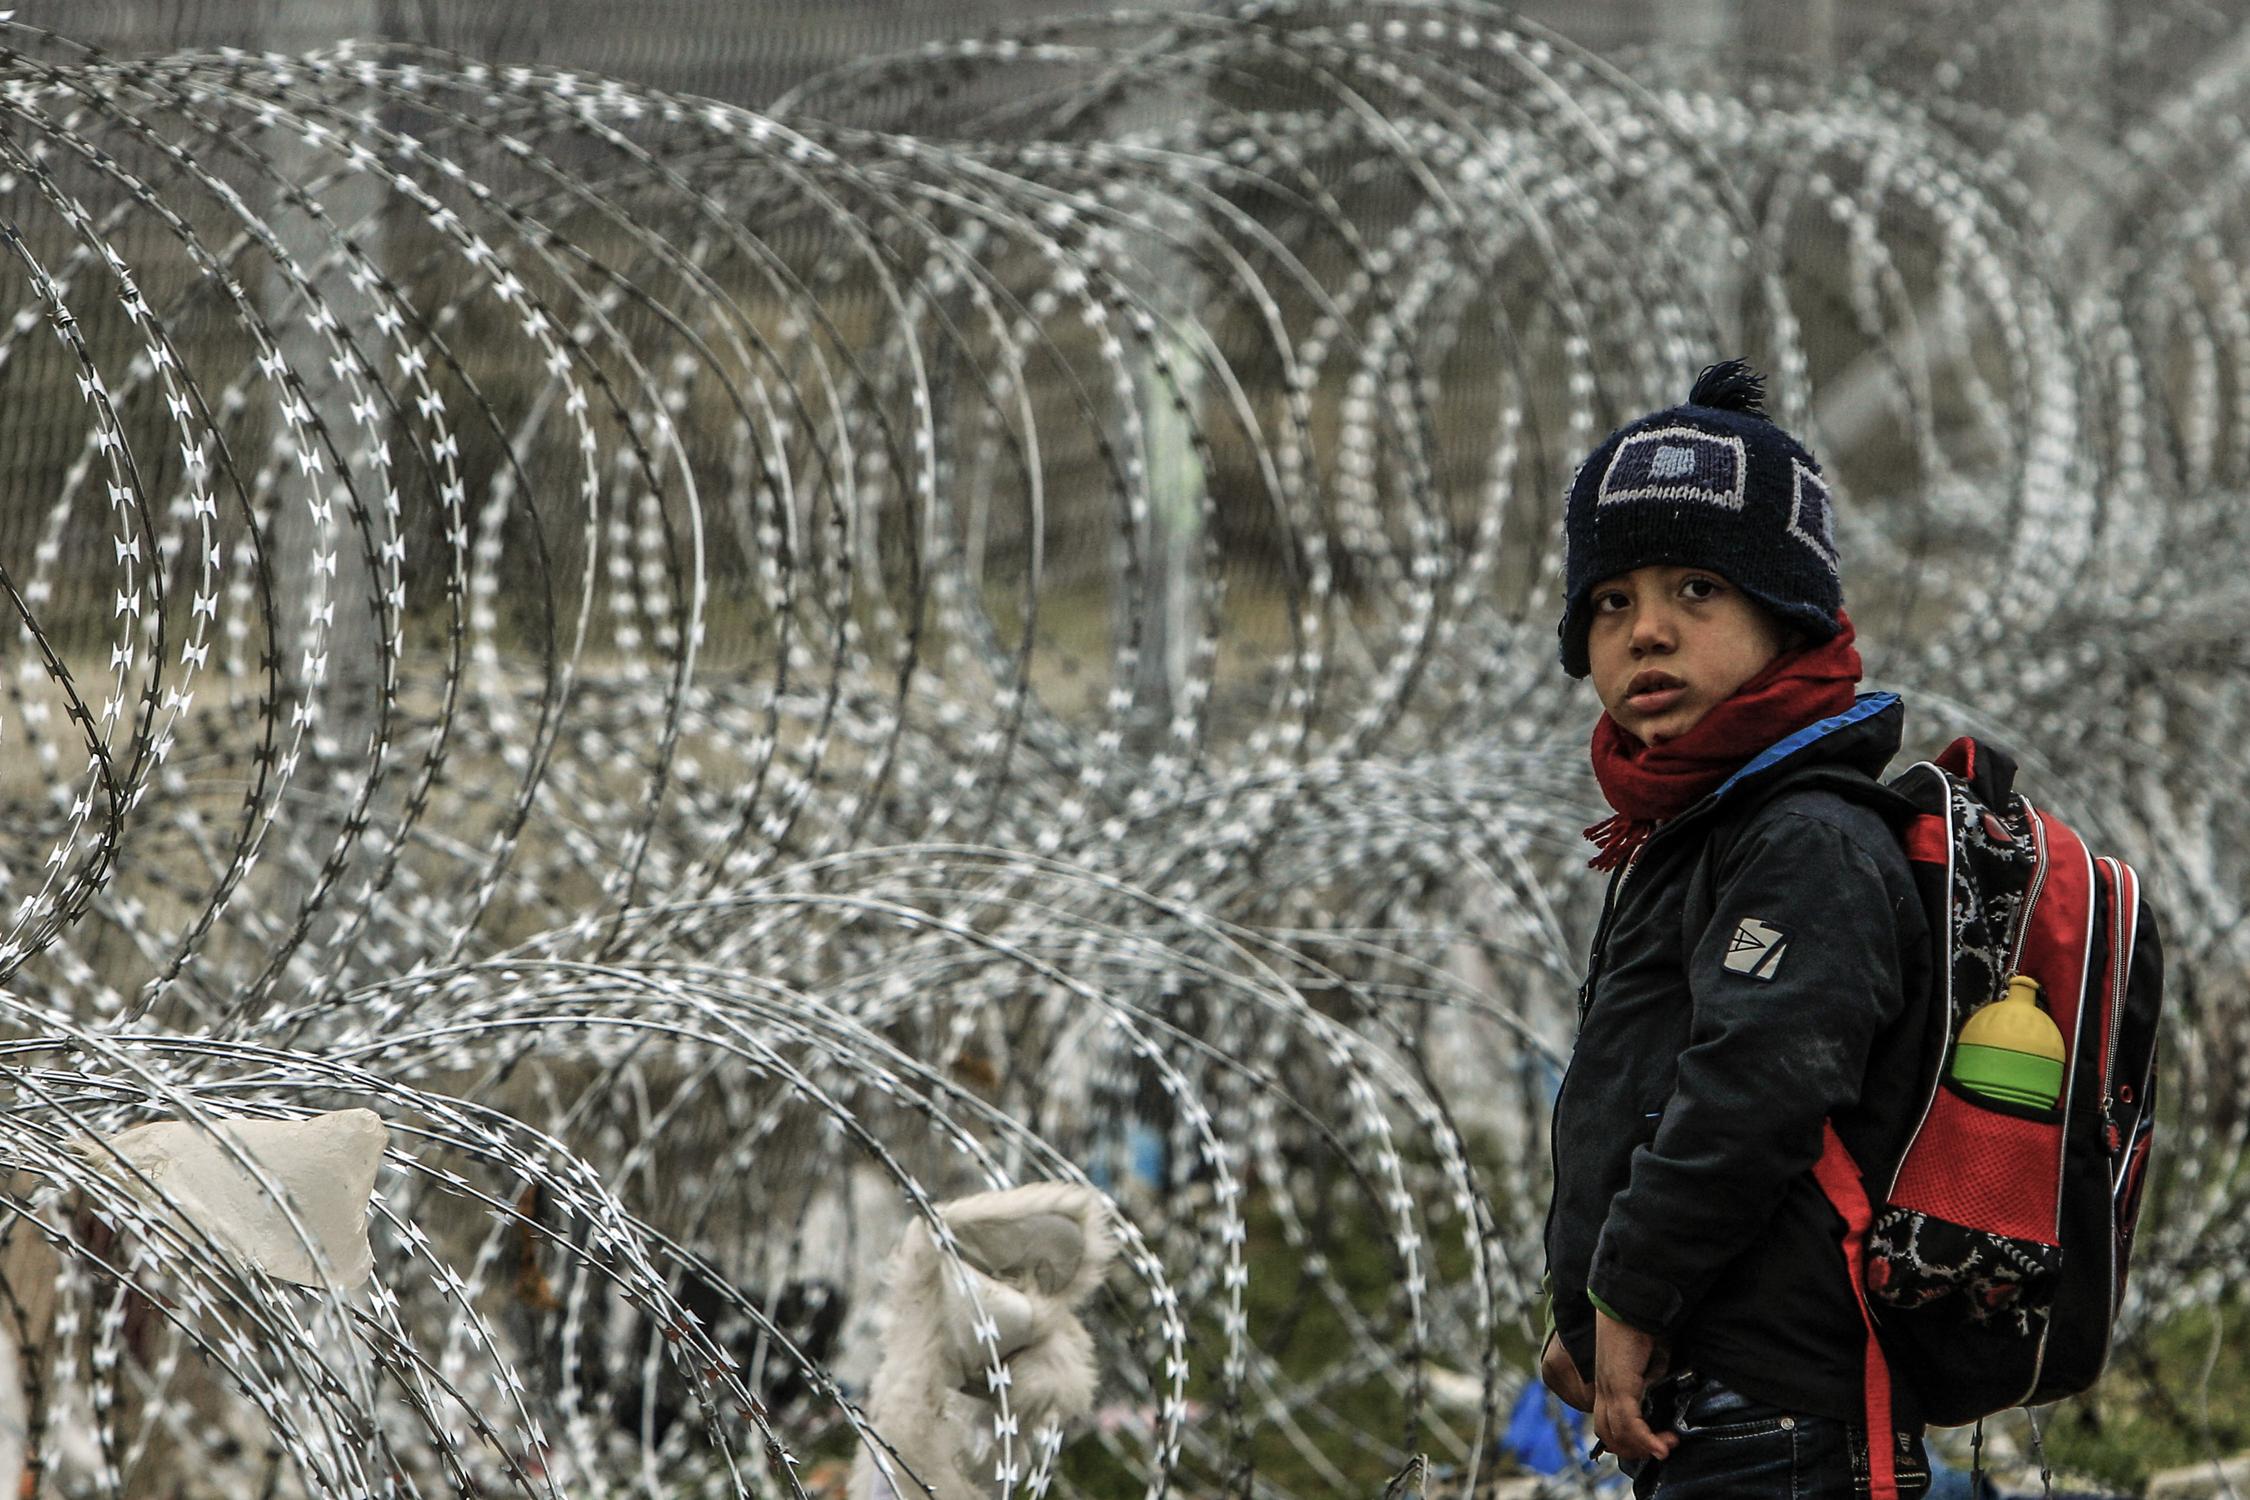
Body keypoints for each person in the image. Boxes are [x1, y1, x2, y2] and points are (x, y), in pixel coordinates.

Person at [1537, 361, 1941, 1498]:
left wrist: (1630, 1295)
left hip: (1788, 1415)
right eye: (1611, 603)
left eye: (1696, 589)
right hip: (1712, 1400)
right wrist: (1588, 1307)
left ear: (1788, 613)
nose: (1646, 631)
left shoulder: (1805, 833)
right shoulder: (1704, 830)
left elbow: (1753, 1087)